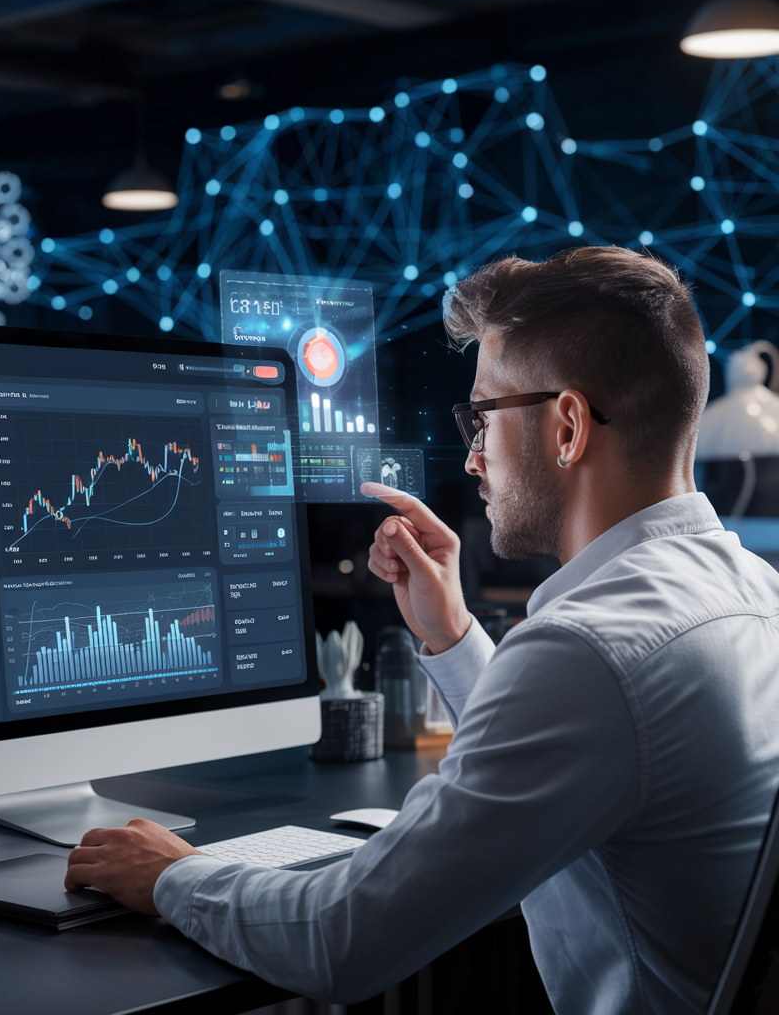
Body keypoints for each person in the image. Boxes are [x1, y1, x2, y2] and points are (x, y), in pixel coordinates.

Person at [64, 246, 779, 1014]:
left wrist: (172, 874)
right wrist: (455, 636)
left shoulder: (589, 648)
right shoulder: (753, 592)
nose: (474, 458)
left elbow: (341, 940)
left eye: (483, 416)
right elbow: (605, 744)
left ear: (568, 426)